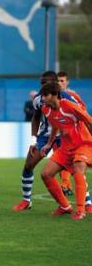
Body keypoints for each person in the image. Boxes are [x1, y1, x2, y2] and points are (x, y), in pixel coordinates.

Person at [12, 71, 92, 212]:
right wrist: (33, 140)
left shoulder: (70, 99)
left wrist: (85, 142)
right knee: (29, 164)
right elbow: (36, 118)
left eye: (45, 83)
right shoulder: (39, 99)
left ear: (54, 85)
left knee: (75, 169)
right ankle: (26, 200)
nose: (42, 86)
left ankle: (86, 203)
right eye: (41, 83)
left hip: (66, 137)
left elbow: (83, 118)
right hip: (46, 136)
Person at [39, 81, 92, 220]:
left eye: (46, 95)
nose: (43, 98)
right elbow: (55, 125)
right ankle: (65, 206)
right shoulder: (46, 109)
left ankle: (81, 210)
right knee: (46, 174)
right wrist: (49, 143)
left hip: (83, 143)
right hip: (66, 148)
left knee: (78, 168)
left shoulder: (69, 105)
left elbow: (89, 120)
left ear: (55, 95)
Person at [57, 71, 86, 196]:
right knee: (60, 162)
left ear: (67, 82)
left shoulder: (72, 95)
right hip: (58, 135)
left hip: (73, 136)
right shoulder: (53, 97)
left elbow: (82, 111)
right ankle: (66, 186)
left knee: (75, 165)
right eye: (58, 80)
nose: (59, 83)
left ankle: (85, 199)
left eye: (62, 81)